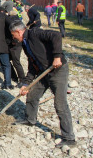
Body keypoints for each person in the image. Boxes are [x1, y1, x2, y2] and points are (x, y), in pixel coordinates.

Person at [10, 20, 75, 148]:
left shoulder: (34, 33)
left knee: (60, 104)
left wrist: (57, 56)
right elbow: (32, 64)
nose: (13, 37)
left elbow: (56, 35)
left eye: (13, 35)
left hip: (57, 71)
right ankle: (30, 120)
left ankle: (69, 138)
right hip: (43, 72)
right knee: (33, 95)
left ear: (18, 31)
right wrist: (26, 84)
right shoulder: (25, 43)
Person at [5, 10, 26, 87]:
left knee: (15, 62)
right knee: (13, 61)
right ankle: (15, 78)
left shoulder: (12, 21)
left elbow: (14, 33)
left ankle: (22, 80)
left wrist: (13, 41)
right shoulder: (19, 20)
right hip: (16, 43)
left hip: (14, 44)